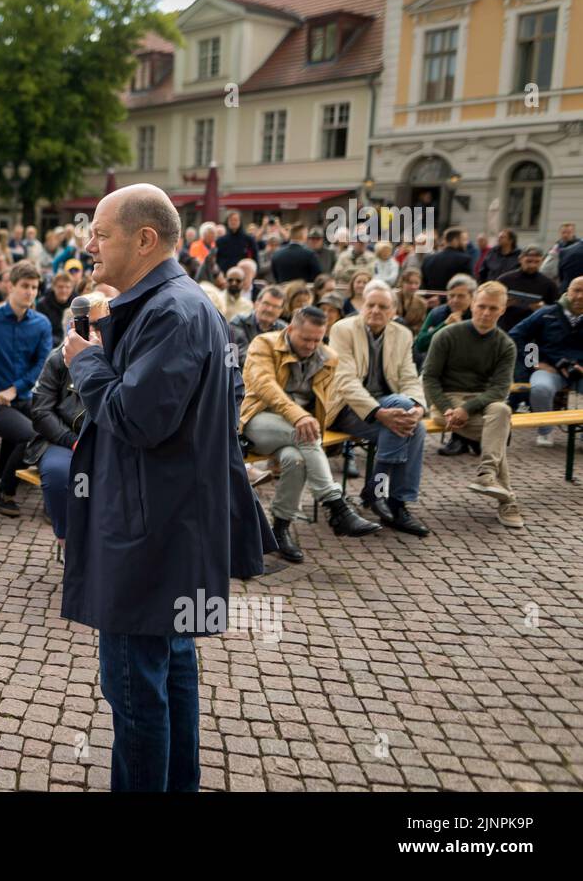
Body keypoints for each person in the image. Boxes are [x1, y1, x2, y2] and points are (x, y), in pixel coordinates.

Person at [59, 185, 272, 792]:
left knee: (134, 687)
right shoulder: (178, 304)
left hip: (148, 534)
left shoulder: (171, 311)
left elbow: (135, 418)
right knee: (170, 669)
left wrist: (85, 361)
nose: (89, 244)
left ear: (145, 239)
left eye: (100, 233)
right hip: (166, 521)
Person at [241, 306, 381, 562]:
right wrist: (299, 416)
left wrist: (309, 420)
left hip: (299, 429)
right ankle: (336, 506)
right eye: (305, 339)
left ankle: (280, 530)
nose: (311, 345)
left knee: (295, 461)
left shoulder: (327, 357)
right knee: (303, 435)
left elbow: (323, 401)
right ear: (290, 329)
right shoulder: (264, 343)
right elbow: (265, 387)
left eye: (317, 340)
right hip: (256, 420)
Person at [327, 281, 431, 537]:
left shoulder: (402, 334)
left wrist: (418, 407)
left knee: (414, 425)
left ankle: (395, 503)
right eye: (370, 305)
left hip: (389, 408)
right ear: (362, 304)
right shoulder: (343, 329)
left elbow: (409, 377)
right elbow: (345, 381)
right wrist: (379, 412)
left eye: (383, 307)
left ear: (393, 310)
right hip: (346, 409)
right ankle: (380, 492)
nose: (375, 310)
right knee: (402, 410)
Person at [423, 281, 521, 526]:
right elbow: (430, 377)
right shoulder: (447, 334)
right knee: (497, 432)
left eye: (493, 308)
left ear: (502, 310)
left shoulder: (505, 344)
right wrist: (448, 407)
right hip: (446, 399)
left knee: (502, 409)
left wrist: (467, 409)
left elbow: (500, 389)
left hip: (481, 401)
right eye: (481, 306)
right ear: (472, 305)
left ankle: (486, 474)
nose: (486, 313)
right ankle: (507, 500)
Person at [26, 293, 110, 550]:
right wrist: (72, 442)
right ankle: (67, 539)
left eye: (101, 325)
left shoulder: (119, 358)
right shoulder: (58, 359)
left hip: (105, 441)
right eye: (88, 324)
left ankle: (104, 542)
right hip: (62, 440)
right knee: (59, 474)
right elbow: (41, 411)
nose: (94, 331)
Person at [0, 261, 51, 517]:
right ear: (10, 286)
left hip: (22, 397)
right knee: (28, 434)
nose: (30, 292)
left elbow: (41, 364)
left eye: (34, 287)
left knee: (54, 428)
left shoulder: (42, 324)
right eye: (24, 286)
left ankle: (49, 488)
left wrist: (15, 390)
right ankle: (4, 491)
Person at [509, 275, 583, 447]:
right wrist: (534, 362)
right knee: (540, 388)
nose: (580, 296)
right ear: (567, 291)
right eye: (576, 290)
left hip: (580, 370)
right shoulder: (547, 313)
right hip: (550, 368)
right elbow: (517, 335)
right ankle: (545, 430)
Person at [496, 245, 558, 331]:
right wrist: (503, 304)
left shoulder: (549, 284)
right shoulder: (504, 280)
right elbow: (490, 302)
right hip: (506, 326)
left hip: (533, 330)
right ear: (520, 259)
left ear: (542, 261)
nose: (532, 265)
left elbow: (555, 312)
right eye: (529, 261)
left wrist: (543, 309)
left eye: (536, 262)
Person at [414, 274, 476, 357]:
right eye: (451, 295)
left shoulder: (478, 316)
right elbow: (420, 345)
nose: (455, 300)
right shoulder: (436, 313)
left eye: (461, 296)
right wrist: (444, 325)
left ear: (472, 297)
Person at [422, 228, 475, 293]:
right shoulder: (465, 259)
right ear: (455, 240)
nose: (467, 243)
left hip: (430, 299)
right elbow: (468, 285)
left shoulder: (428, 258)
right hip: (453, 299)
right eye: (464, 240)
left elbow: (424, 283)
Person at [37, 270, 75, 347]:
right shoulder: (43, 304)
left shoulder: (76, 304)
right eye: (60, 287)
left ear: (72, 288)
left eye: (67, 287)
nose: (64, 290)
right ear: (53, 287)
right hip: (50, 344)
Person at [394, 268, 427, 334]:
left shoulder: (422, 303)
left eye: (416, 283)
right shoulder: (391, 298)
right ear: (402, 282)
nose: (413, 286)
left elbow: (420, 325)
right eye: (409, 283)